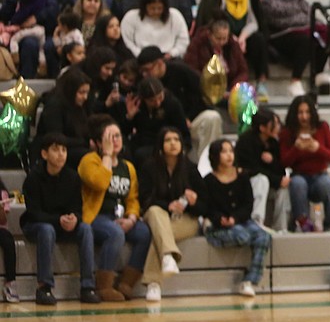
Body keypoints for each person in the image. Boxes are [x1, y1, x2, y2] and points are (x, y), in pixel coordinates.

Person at [22, 132, 101, 305]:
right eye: (55, 150)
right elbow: (34, 213)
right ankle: (44, 287)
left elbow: (78, 209)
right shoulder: (33, 178)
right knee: (46, 229)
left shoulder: (72, 177)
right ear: (44, 154)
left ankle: (87, 286)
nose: (61, 154)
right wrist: (58, 220)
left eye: (64, 150)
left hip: (62, 224)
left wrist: (75, 219)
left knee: (86, 228)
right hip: (36, 225)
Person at [79, 115, 151, 301]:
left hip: (120, 216)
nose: (115, 141)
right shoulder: (89, 161)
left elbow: (133, 199)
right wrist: (107, 156)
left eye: (118, 136)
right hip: (96, 216)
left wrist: (132, 219)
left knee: (144, 233)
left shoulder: (128, 167)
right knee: (115, 233)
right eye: (109, 137)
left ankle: (126, 284)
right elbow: (100, 183)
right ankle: (103, 286)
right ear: (97, 142)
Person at [137, 127, 203, 302]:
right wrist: (168, 205)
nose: (173, 143)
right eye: (168, 140)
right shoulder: (150, 167)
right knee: (156, 213)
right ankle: (167, 257)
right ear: (160, 145)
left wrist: (194, 203)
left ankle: (154, 283)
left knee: (159, 236)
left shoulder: (191, 168)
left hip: (186, 219)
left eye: (176, 139)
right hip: (157, 214)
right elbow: (144, 199)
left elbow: (205, 206)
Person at [202, 139, 272, 297]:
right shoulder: (209, 180)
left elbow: (248, 205)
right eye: (224, 151)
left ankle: (250, 280)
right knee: (242, 235)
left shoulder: (242, 176)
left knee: (264, 237)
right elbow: (207, 207)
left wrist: (235, 218)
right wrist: (220, 219)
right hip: (217, 225)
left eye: (231, 151)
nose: (229, 155)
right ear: (215, 155)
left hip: (241, 221)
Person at [280, 95, 330, 234]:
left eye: (307, 112)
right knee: (297, 184)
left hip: (319, 174)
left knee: (326, 183)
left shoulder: (322, 127)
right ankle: (302, 223)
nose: (304, 116)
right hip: (299, 174)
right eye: (300, 113)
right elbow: (284, 162)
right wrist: (296, 148)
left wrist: (317, 148)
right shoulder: (287, 131)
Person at [263, 0, 326, 97]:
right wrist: (298, 14)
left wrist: (294, 17)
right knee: (305, 40)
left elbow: (309, 15)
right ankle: (295, 80)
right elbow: (276, 19)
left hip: (296, 33)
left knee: (323, 35)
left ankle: (318, 73)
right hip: (278, 35)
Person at [237, 108, 292, 232]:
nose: (278, 127)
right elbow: (253, 169)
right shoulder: (246, 142)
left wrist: (273, 162)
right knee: (262, 180)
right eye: (274, 124)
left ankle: (281, 227)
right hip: (248, 184)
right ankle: (256, 220)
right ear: (262, 128)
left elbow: (281, 169)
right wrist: (277, 180)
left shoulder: (273, 143)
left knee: (283, 190)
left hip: (270, 182)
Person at [35, 66, 94, 168]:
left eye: (87, 92)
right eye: (81, 92)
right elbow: (56, 138)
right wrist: (85, 142)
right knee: (89, 156)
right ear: (71, 91)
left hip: (77, 146)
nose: (85, 97)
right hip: (57, 149)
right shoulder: (54, 106)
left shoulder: (82, 104)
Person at [120, 0, 189, 60]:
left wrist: (172, 53)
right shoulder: (131, 17)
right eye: (152, 8)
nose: (156, 12)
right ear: (144, 6)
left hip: (170, 58)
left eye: (159, 8)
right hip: (140, 58)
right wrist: (141, 55)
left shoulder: (175, 15)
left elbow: (183, 41)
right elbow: (128, 42)